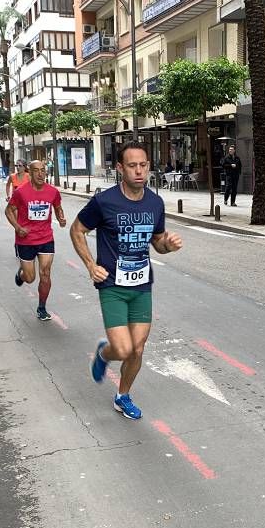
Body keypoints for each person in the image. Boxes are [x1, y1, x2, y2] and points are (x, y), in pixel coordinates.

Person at [70, 142, 183, 421]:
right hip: (112, 287)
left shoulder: (155, 202)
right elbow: (77, 229)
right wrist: (90, 265)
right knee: (122, 349)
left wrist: (168, 244)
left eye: (143, 165)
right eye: (132, 165)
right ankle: (104, 353)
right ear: (120, 168)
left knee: (138, 348)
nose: (139, 171)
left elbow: (157, 242)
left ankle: (123, 395)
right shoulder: (104, 201)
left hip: (142, 285)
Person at [6, 160, 65, 321]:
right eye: (36, 171)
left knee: (45, 274)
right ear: (29, 173)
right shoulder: (21, 192)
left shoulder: (53, 192)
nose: (40, 174)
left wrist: (61, 218)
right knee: (30, 278)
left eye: (43, 170)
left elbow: (58, 207)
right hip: (25, 240)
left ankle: (42, 307)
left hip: (46, 238)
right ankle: (22, 273)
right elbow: (9, 211)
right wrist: (18, 228)